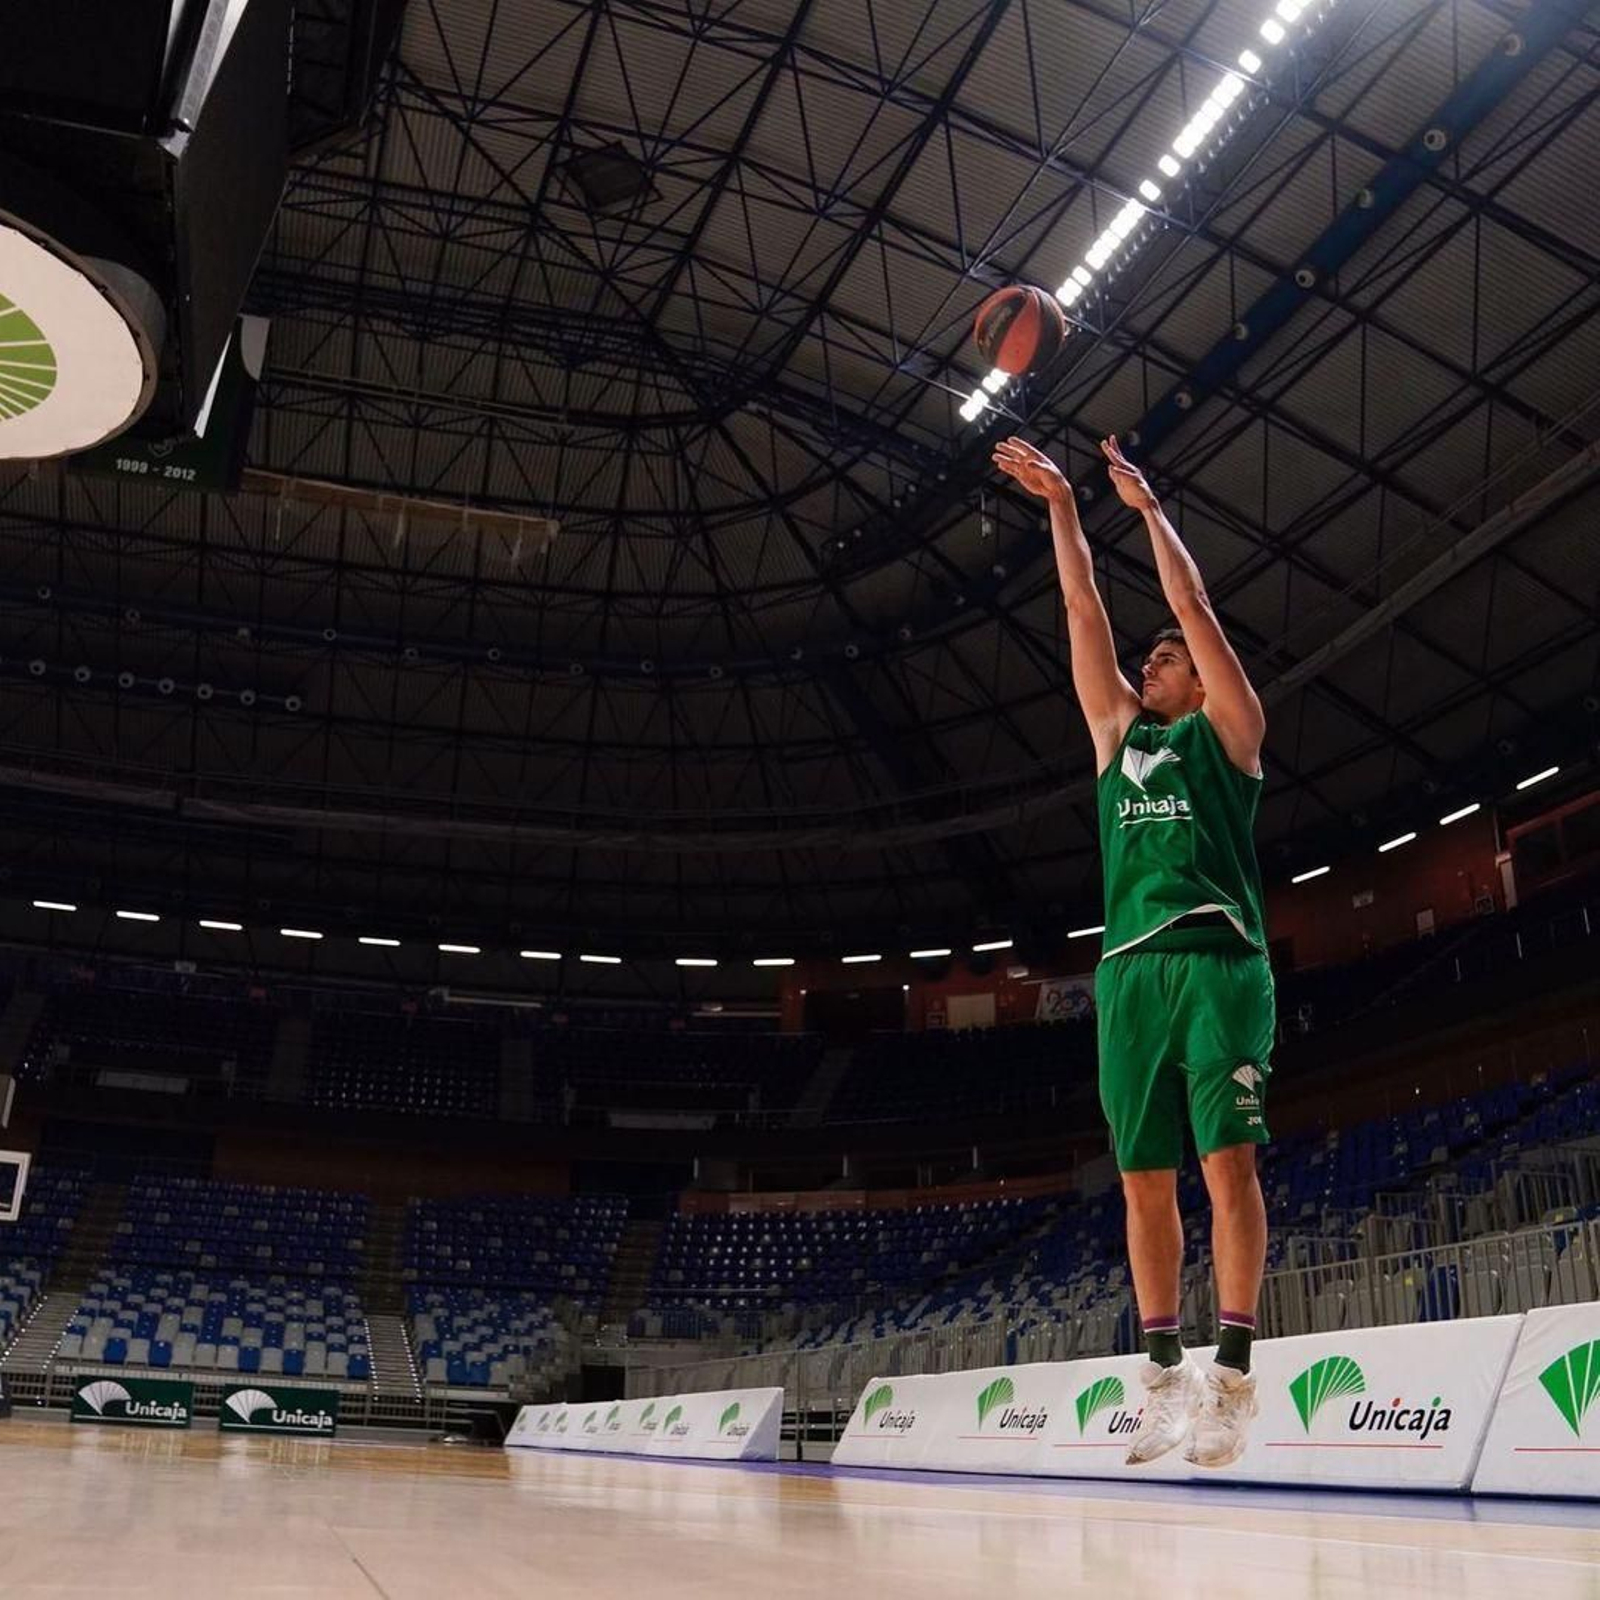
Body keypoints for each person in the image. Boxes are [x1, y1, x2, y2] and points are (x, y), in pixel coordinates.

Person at [992, 433, 1274, 1470]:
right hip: (1128, 976)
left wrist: (1149, 510)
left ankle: (1231, 1377)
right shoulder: (1118, 736)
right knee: (1142, 1181)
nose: (1148, 664)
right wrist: (1064, 508)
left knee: (1227, 1163)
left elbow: (1193, 608)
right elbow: (1082, 611)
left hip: (1217, 961)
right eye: (1146, 658)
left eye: (1165, 659)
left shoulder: (1228, 732)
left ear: (1199, 681)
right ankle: (1161, 1377)